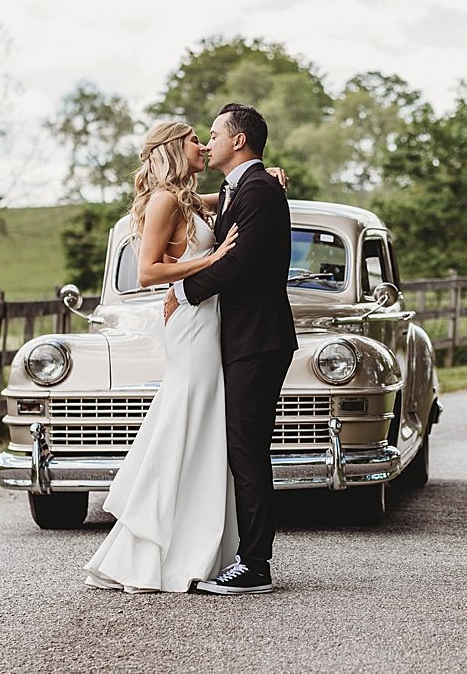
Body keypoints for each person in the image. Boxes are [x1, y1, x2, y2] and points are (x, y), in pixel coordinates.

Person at [83, 120, 285, 594]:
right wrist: (206, 266)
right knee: (185, 426)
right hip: (193, 326)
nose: (203, 144)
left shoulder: (192, 198)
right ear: (175, 148)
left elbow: (237, 198)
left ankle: (201, 544)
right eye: (195, 139)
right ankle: (159, 546)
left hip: (210, 325)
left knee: (205, 434)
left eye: (209, 136)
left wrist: (267, 174)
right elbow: (149, 270)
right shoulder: (166, 200)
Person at [166, 103, 297, 596]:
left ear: (239, 141)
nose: (208, 142)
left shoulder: (259, 190)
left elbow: (241, 264)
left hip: (258, 338)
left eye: (216, 134)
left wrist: (181, 292)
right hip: (241, 336)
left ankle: (256, 565)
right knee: (240, 446)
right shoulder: (241, 187)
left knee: (247, 447)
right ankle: (242, 553)